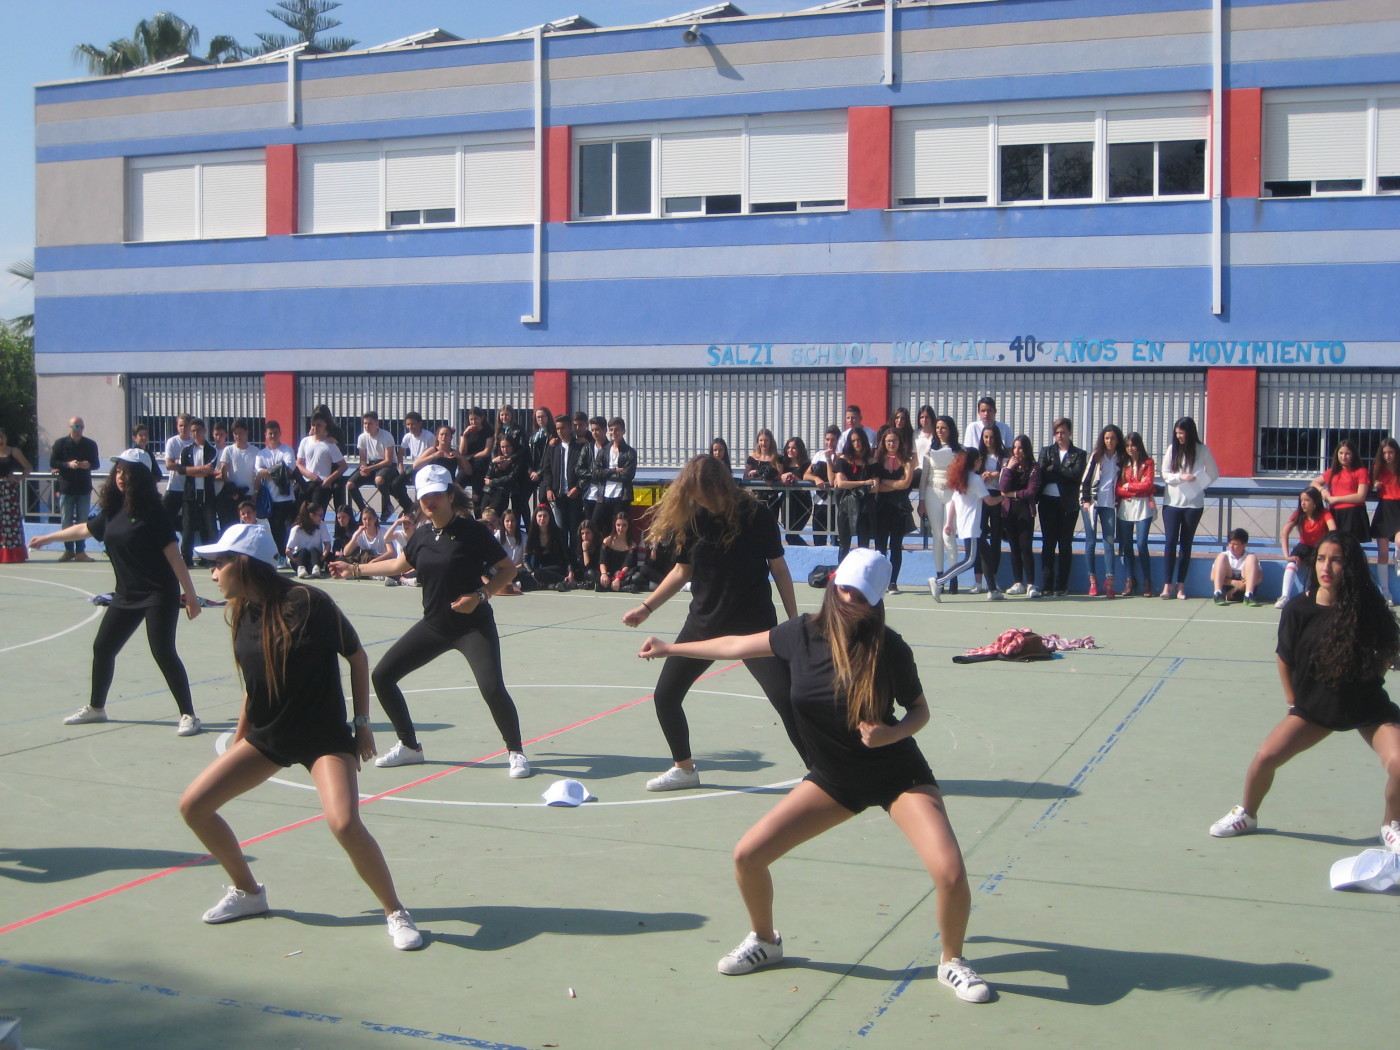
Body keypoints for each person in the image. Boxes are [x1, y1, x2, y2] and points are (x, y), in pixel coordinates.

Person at [637, 549, 992, 1004]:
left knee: (950, 872)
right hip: (834, 780)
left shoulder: (890, 648)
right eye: (842, 587)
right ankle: (765, 942)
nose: (846, 598)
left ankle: (952, 961)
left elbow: (919, 711)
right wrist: (671, 647)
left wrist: (892, 734)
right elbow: (733, 644)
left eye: (859, 595)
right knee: (748, 855)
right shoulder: (799, 634)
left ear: (876, 600)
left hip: (896, 775)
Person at [178, 523, 423, 951]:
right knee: (194, 806)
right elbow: (254, 685)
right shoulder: (241, 612)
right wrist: (240, 737)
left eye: (219, 564)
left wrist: (362, 722)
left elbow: (358, 657)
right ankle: (249, 892)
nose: (212, 572)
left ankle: (395, 911)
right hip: (271, 735)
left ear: (244, 564)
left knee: (344, 823)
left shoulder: (309, 602)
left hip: (323, 735)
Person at [329, 465, 530, 777]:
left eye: (436, 493)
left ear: (450, 495)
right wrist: (354, 569)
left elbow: (508, 570)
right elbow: (398, 565)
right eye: (424, 495)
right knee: (382, 676)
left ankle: (515, 751)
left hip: (473, 627)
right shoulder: (421, 535)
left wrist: (479, 596)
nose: (430, 500)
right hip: (435, 626)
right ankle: (410, 747)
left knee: (491, 688)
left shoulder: (473, 532)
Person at [1208, 531, 1400, 854]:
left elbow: (1387, 649)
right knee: (1264, 758)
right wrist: (1293, 701)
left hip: (1367, 707)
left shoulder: (1367, 607)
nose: (1327, 567)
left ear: (1349, 565)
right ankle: (1247, 814)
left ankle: (1390, 825)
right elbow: (1284, 657)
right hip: (1315, 708)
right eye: (1322, 558)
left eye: (1336, 560)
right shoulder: (1298, 609)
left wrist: (1371, 677)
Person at [621, 455, 804, 791]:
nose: (699, 499)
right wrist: (646, 608)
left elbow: (779, 569)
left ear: (721, 486)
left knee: (787, 698)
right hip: (704, 622)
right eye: (694, 494)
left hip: (755, 625)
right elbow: (681, 572)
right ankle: (685, 769)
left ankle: (821, 771)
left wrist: (793, 623)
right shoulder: (693, 519)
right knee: (666, 695)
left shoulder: (756, 514)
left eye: (703, 493)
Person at [29, 449, 202, 735]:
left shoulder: (154, 512)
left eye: (128, 472)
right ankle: (97, 708)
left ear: (142, 478)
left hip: (159, 593)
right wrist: (47, 538)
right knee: (103, 647)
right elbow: (84, 529)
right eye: (119, 471)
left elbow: (175, 557)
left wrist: (191, 596)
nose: (121, 477)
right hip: (127, 594)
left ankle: (189, 714)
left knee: (162, 652)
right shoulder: (112, 509)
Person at [929, 449, 1000, 602]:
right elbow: (989, 501)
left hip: (968, 526)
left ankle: (993, 590)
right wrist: (1004, 497)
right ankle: (938, 581)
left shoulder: (962, 478)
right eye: (979, 459)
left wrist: (949, 523)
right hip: (972, 527)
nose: (981, 461)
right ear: (975, 461)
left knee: (986, 555)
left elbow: (954, 502)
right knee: (970, 560)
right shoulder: (975, 479)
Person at [1161, 416, 1218, 600]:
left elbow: (1214, 472)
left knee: (1186, 545)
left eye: (1182, 433)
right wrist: (1180, 477)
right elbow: (1165, 473)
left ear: (1190, 433)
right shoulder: (1172, 449)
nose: (1179, 437)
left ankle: (1181, 586)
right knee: (1170, 543)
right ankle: (1167, 584)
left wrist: (1199, 483)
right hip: (1172, 503)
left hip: (1193, 504)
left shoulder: (1202, 450)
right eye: (1176, 433)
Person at [1036, 418, 1086, 597]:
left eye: (1063, 432)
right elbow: (1042, 473)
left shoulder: (1079, 454)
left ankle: (1061, 585)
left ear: (1070, 433)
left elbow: (1076, 475)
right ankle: (1046, 584)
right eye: (1057, 432)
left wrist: (1055, 469)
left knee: (1065, 544)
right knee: (1048, 543)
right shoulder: (1046, 451)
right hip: (1047, 502)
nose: (1060, 435)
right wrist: (1060, 472)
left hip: (1067, 504)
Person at [1079, 424, 1126, 599]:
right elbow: (1085, 479)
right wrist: (1085, 500)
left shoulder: (1121, 458)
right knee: (1090, 541)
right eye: (1107, 438)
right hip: (1091, 502)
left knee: (1109, 542)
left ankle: (1110, 581)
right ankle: (1093, 581)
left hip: (1109, 503)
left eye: (1113, 438)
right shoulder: (1097, 456)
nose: (1110, 441)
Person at [916, 416, 961, 586]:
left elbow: (961, 476)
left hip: (951, 494)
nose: (940, 431)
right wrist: (921, 501)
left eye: (944, 428)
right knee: (937, 536)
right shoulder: (929, 450)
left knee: (948, 535)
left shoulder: (959, 450)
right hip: (932, 492)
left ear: (951, 430)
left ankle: (953, 577)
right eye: (938, 428)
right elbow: (924, 476)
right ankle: (940, 577)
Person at [1276, 486, 1336, 610]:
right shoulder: (1299, 514)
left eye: (1307, 500)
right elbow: (1285, 532)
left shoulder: (1324, 512)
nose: (1303, 503)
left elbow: (1333, 530)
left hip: (1319, 547)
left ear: (1315, 501)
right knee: (1291, 564)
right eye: (1301, 500)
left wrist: (1327, 548)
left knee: (1316, 569)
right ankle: (1284, 596)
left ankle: (1312, 596)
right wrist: (1287, 555)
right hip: (1303, 547)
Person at [871, 429, 915, 594]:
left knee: (896, 545)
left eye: (894, 440)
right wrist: (896, 483)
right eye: (888, 441)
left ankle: (893, 582)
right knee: (880, 547)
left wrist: (886, 482)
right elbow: (876, 488)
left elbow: (905, 484)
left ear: (899, 442)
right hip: (881, 507)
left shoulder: (906, 461)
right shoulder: (876, 461)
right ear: (883, 442)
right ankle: (880, 581)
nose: (891, 444)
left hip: (899, 508)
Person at [50, 415, 99, 562]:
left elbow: (96, 464)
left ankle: (81, 552)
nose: (78, 430)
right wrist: (68, 465)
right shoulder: (60, 443)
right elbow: (53, 461)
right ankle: (69, 550)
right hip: (66, 486)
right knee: (66, 520)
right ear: (69, 427)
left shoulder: (90, 444)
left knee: (82, 521)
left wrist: (87, 464)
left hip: (84, 487)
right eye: (75, 427)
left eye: (80, 427)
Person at [997, 435, 1041, 597]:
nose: (1017, 451)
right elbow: (1002, 487)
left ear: (1027, 449)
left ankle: (1031, 584)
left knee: (1025, 548)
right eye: (1015, 447)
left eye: (1020, 447)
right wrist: (1009, 469)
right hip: (1009, 512)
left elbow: (1031, 492)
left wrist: (1013, 494)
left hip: (1025, 512)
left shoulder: (1034, 468)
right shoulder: (1008, 465)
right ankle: (1018, 582)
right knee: (1014, 547)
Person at [1115, 432, 1156, 598]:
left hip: (1143, 507)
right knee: (1126, 546)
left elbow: (1148, 485)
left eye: (1133, 445)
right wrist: (1129, 488)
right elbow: (1117, 488)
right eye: (1127, 446)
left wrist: (1128, 487)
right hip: (1125, 507)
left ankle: (1147, 581)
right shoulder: (1123, 464)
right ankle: (1130, 580)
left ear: (1139, 445)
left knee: (1141, 544)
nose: (1130, 449)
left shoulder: (1148, 463)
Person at [1312, 439, 1370, 547]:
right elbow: (1314, 483)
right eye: (1341, 453)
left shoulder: (1361, 471)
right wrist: (1323, 490)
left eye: (1347, 453)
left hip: (1353, 514)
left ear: (1353, 454)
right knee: (1336, 545)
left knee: (1351, 547)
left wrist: (1337, 499)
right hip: (1335, 513)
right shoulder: (1333, 471)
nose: (1344, 457)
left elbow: (1360, 496)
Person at [255, 420, 297, 568]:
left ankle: (290, 556)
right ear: (266, 435)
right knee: (275, 530)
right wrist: (278, 470)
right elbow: (259, 473)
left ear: (280, 434)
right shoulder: (261, 454)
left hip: (286, 498)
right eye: (270, 433)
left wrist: (270, 471)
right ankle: (280, 557)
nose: (272, 435)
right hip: (270, 499)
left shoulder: (287, 450)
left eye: (275, 433)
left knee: (288, 530)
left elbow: (289, 469)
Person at [178, 419, 219, 566]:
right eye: (193, 431)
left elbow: (210, 470)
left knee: (208, 527)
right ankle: (186, 559)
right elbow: (182, 470)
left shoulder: (212, 450)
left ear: (204, 431)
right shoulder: (187, 451)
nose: (195, 433)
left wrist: (193, 470)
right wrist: (199, 470)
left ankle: (209, 559)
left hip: (207, 495)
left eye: (198, 430)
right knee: (188, 528)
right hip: (190, 495)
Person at [541, 414, 585, 552]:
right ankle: (564, 561)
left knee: (574, 530)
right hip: (558, 495)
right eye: (558, 428)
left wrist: (578, 487)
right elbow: (546, 470)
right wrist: (548, 488)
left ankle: (574, 561)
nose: (560, 431)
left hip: (574, 496)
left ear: (570, 428)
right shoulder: (553, 447)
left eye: (563, 428)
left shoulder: (580, 447)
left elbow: (585, 471)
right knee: (561, 530)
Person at [972, 425, 1007, 597]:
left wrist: (995, 474)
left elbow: (1008, 473)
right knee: (979, 538)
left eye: (992, 437)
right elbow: (971, 475)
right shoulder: (979, 456)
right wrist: (982, 475)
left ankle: (992, 579)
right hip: (982, 497)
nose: (988, 440)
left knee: (996, 538)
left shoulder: (1003, 456)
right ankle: (978, 581)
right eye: (985, 437)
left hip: (997, 496)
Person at [832, 427, 877, 561]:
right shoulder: (843, 460)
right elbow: (840, 484)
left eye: (859, 440)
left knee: (863, 546)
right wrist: (864, 483)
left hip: (865, 507)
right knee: (844, 545)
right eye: (853, 441)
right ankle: (840, 577)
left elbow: (875, 487)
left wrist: (851, 483)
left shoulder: (871, 462)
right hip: (846, 506)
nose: (856, 443)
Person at [589, 417, 637, 534]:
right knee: (595, 527)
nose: (613, 433)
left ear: (623, 431)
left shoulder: (630, 452)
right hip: (603, 496)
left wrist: (604, 473)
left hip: (621, 497)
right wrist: (614, 471)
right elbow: (595, 473)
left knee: (620, 530)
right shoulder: (604, 450)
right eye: (611, 430)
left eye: (617, 430)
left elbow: (628, 475)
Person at [351, 411, 399, 519]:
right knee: (350, 485)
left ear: (377, 423)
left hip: (386, 465)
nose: (367, 426)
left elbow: (388, 460)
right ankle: (364, 511)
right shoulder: (362, 437)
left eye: (370, 423)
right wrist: (363, 468)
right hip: (371, 464)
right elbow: (363, 458)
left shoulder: (386, 436)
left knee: (379, 480)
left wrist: (370, 468)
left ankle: (387, 506)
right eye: (365, 424)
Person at [1370, 438, 1400, 607]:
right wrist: (1374, 484)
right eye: (1385, 452)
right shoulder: (1377, 468)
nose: (1388, 455)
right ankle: (1385, 592)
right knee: (1382, 553)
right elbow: (1368, 484)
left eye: (1391, 452)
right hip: (1385, 509)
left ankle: (1398, 558)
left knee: (1399, 541)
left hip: (1399, 508)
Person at [217, 420, 260, 534]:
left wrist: (255, 492)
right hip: (234, 495)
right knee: (233, 526)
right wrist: (231, 490)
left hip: (249, 493)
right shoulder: (228, 450)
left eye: (240, 433)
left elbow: (258, 475)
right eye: (235, 433)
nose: (238, 436)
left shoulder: (255, 451)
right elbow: (224, 472)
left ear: (247, 432)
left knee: (249, 525)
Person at [296, 416, 347, 512]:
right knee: (301, 514)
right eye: (313, 425)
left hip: (321, 484)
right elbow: (299, 463)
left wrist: (328, 480)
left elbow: (343, 466)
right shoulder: (305, 441)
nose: (315, 428)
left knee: (316, 515)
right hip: (306, 483)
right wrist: (309, 475)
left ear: (325, 425)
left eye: (318, 425)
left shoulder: (330, 444)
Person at [803, 426, 841, 547]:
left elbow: (832, 479)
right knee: (819, 540)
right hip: (819, 503)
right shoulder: (819, 455)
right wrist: (816, 478)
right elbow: (806, 475)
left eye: (833, 440)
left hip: (835, 504)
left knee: (836, 541)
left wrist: (829, 459)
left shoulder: (841, 456)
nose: (829, 443)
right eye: (827, 439)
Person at [0, 427, 33, 563]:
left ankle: (12, 553)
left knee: (10, 522)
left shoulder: (14, 451)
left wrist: (19, 478)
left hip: (8, 490)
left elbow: (28, 467)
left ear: (6, 437)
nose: (0, 440)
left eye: (1, 436)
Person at [1211, 528, 1263, 606]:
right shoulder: (1225, 555)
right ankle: (1218, 594)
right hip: (1227, 589)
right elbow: (1212, 577)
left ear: (1244, 545)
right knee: (1221, 556)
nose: (1231, 546)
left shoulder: (1249, 557)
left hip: (1245, 589)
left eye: (1235, 544)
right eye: (1230, 543)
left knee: (1252, 557)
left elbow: (1259, 579)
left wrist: (1240, 587)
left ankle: (1249, 595)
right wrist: (1234, 583)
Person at [523, 504, 570, 590]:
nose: (542, 519)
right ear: (535, 518)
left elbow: (567, 555)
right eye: (539, 516)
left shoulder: (558, 533)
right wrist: (531, 573)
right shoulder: (532, 535)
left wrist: (570, 571)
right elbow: (525, 559)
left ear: (550, 517)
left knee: (538, 573)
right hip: (540, 571)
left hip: (557, 569)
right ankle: (551, 586)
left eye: (545, 516)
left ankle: (565, 581)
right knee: (524, 575)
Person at [744, 429, 787, 518]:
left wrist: (771, 477)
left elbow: (779, 475)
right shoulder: (752, 457)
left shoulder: (777, 457)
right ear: (757, 441)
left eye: (766, 440)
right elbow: (746, 476)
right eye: (761, 440)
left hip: (772, 496)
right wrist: (760, 476)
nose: (763, 443)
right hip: (756, 496)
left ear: (770, 441)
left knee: (771, 523)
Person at [482, 432, 525, 517]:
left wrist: (492, 482)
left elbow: (510, 478)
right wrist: (493, 462)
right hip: (489, 491)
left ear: (512, 446)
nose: (505, 449)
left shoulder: (517, 460)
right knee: (483, 516)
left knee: (495, 516)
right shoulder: (497, 458)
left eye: (508, 446)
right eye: (502, 447)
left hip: (503, 493)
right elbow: (487, 477)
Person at [780, 437, 813, 546]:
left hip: (803, 503)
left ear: (799, 449)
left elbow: (807, 482)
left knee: (791, 536)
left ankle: (809, 552)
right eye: (788, 447)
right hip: (788, 502)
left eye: (794, 448)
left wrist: (793, 477)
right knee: (790, 534)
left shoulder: (806, 464)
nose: (790, 450)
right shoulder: (783, 464)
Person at [287, 502, 333, 579]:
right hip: (300, 559)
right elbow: (288, 549)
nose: (322, 518)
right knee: (303, 551)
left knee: (313, 550)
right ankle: (301, 568)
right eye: (320, 515)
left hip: (315, 559)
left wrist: (322, 557)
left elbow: (327, 545)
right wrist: (293, 559)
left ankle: (316, 568)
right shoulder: (297, 529)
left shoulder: (321, 525)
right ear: (311, 515)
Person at [599, 510, 637, 592]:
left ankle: (609, 586)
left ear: (628, 526)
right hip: (608, 573)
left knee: (636, 577)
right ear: (614, 525)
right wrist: (604, 574)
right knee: (591, 573)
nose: (621, 528)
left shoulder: (632, 545)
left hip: (623, 574)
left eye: (624, 525)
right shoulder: (607, 541)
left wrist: (618, 578)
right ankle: (622, 588)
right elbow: (602, 561)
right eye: (618, 525)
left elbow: (627, 565)